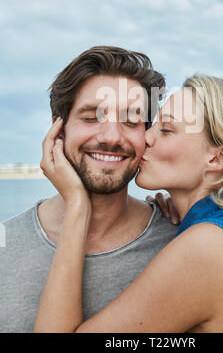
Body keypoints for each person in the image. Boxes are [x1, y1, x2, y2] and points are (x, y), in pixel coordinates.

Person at [34, 74, 223, 333]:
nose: (146, 138)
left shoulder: (206, 249)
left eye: (166, 130)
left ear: (218, 159)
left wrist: (78, 206)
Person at [0, 46, 178, 333]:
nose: (111, 137)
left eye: (131, 121)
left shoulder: (180, 239)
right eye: (91, 117)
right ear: (58, 130)